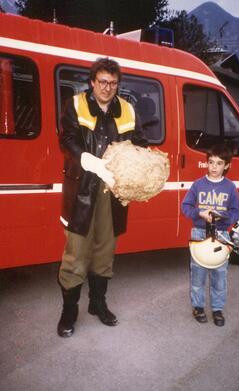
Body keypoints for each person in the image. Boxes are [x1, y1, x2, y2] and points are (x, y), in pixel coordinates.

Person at [57, 57, 147, 337]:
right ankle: (69, 311)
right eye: (102, 82)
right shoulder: (76, 104)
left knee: (105, 252)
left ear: (117, 84)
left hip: (113, 192)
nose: (107, 88)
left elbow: (140, 144)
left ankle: (97, 304)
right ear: (92, 82)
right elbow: (67, 139)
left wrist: (137, 166)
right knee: (76, 254)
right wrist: (87, 159)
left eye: (113, 82)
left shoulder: (128, 110)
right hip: (82, 190)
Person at [181, 144, 239, 327]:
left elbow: (236, 213)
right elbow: (185, 207)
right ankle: (198, 307)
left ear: (227, 166)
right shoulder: (198, 185)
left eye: (219, 163)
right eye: (211, 162)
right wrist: (199, 213)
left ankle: (217, 309)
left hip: (221, 235)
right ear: (207, 163)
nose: (214, 167)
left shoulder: (230, 187)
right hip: (199, 234)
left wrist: (221, 218)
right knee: (197, 276)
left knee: (219, 276)